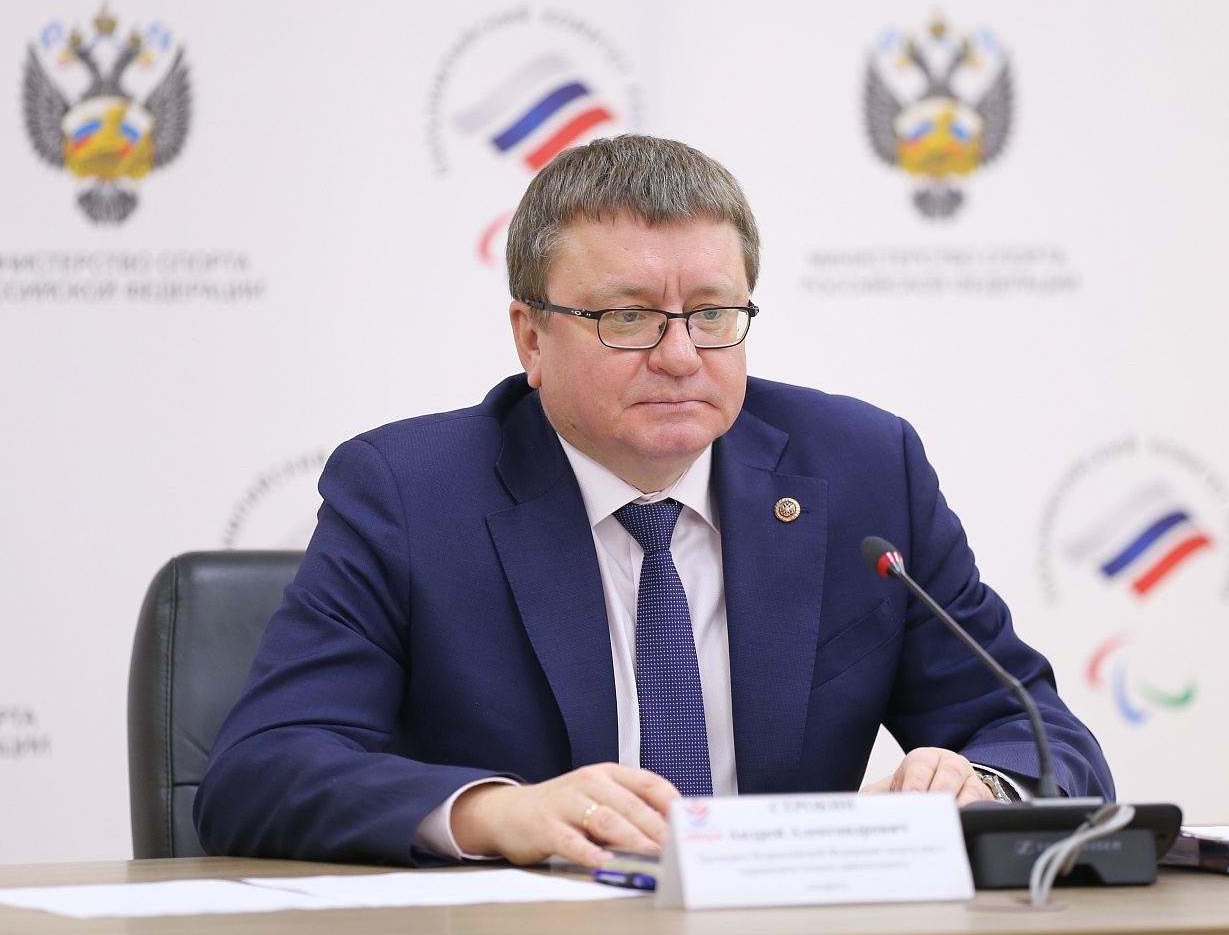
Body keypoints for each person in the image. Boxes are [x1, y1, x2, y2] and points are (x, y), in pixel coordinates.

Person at [196, 135, 1112, 867]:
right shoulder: (409, 492)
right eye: (627, 316)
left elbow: (1039, 733)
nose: (680, 356)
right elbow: (261, 771)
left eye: (712, 313)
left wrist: (981, 787)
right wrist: (497, 812)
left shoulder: (863, 470)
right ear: (532, 337)